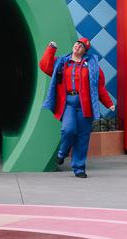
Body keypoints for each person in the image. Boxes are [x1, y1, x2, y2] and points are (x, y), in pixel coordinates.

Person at [39, 37, 114, 178]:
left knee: (82, 137)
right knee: (68, 129)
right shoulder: (62, 62)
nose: (78, 47)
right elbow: (45, 66)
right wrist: (51, 49)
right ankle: (63, 152)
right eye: (77, 44)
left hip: (85, 106)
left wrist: (108, 103)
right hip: (68, 104)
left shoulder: (92, 65)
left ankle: (79, 168)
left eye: (81, 46)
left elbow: (99, 86)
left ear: (85, 51)